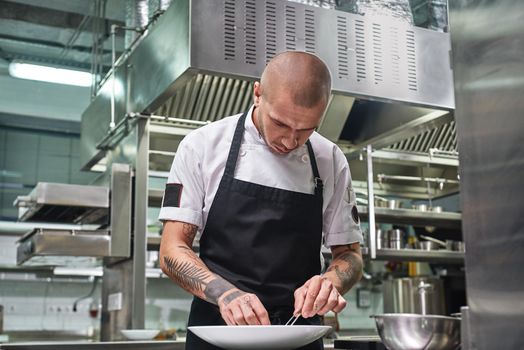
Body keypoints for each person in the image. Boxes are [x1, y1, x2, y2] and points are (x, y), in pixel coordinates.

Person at [158, 51, 363, 350]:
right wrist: (224, 294)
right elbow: (172, 250)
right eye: (280, 123)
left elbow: (351, 256)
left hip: (299, 332)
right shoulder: (202, 146)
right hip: (219, 332)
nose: (290, 141)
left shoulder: (330, 159)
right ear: (257, 94)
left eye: (306, 129)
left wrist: (331, 282)